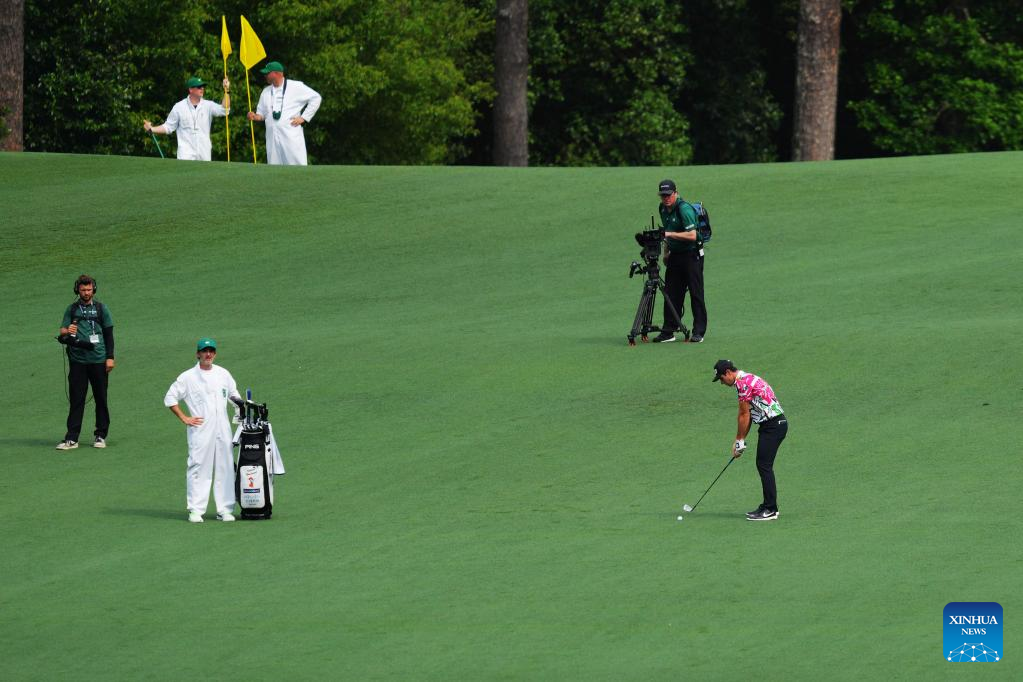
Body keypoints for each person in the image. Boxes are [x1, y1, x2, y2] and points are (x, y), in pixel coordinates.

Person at [164, 338, 242, 523]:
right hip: (200, 429)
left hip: (222, 427)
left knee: (225, 467)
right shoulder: (188, 377)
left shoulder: (223, 373)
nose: (208, 354)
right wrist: (185, 418)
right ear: (198, 354)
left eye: (211, 351)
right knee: (199, 466)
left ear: (215, 353)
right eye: (205, 351)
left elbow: (234, 395)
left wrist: (240, 410)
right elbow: (170, 397)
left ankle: (225, 509)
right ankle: (195, 510)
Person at [712, 360, 788, 521]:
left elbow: (744, 415)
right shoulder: (746, 379)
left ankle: (771, 509)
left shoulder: (742, 384)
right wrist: (740, 440)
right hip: (773, 425)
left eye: (721, 378)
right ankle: (767, 505)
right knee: (763, 465)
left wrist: (739, 440)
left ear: (728, 372)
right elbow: (749, 416)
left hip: (773, 426)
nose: (721, 383)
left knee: (764, 466)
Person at [56, 275, 115, 450]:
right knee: (76, 399)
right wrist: (68, 330)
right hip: (78, 361)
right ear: (78, 290)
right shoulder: (72, 309)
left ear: (93, 289)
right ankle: (72, 438)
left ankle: (100, 435)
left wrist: (110, 357)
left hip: (98, 360)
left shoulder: (102, 309)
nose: (86, 293)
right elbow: (62, 331)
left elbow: (109, 335)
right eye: (83, 290)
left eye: (89, 289)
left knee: (101, 398)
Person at [653, 179, 707, 343]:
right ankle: (668, 331)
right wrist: (666, 253)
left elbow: (692, 235)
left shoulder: (684, 209)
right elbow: (666, 231)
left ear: (676, 193)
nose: (666, 198)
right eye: (663, 195)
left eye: (669, 195)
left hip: (692, 254)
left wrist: (669, 235)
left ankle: (699, 332)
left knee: (696, 293)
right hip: (675, 254)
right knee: (671, 293)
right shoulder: (662, 208)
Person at [247, 61, 322, 165]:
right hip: (272, 139)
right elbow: (261, 115)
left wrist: (304, 118)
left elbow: (316, 98)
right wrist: (254, 116)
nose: (265, 75)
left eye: (268, 73)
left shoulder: (295, 86)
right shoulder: (266, 91)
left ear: (277, 73)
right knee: (274, 170)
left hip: (291, 137)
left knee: (296, 168)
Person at [143, 76, 231, 161]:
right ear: (190, 89)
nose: (202, 89)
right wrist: (152, 129)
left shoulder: (208, 105)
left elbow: (225, 110)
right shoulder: (179, 107)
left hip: (204, 155)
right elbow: (168, 127)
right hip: (185, 157)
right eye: (199, 87)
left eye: (203, 86)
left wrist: (227, 91)